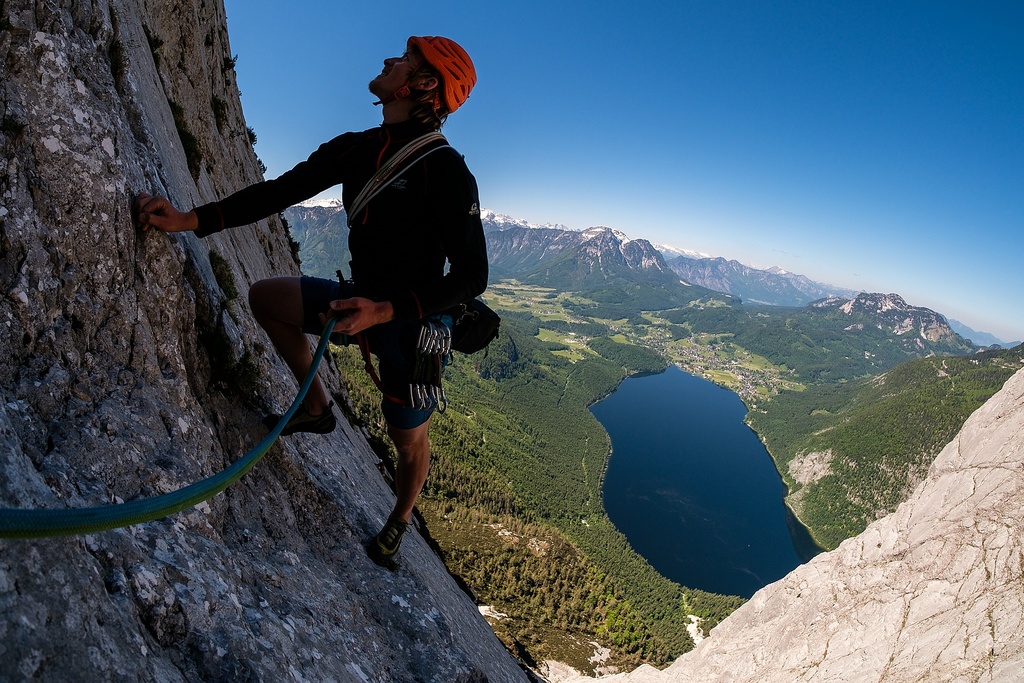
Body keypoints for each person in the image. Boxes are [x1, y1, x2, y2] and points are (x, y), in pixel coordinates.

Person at [135, 36, 487, 563]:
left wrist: (386, 310)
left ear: (425, 84)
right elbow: (279, 192)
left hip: (409, 325)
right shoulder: (356, 149)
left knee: (407, 441)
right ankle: (318, 407)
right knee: (266, 298)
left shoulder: (447, 172)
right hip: (359, 304)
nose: (390, 60)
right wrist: (192, 220)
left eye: (405, 60)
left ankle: (400, 517)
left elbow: (472, 275)